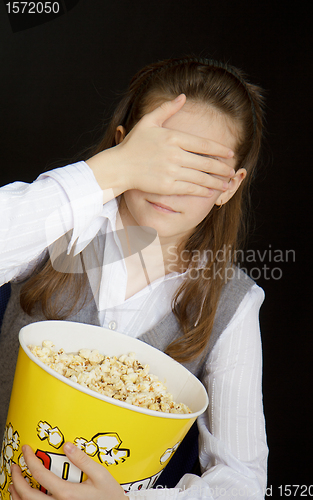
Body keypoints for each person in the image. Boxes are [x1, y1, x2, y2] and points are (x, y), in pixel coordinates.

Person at [0, 57, 268, 500]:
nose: (172, 183)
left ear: (230, 186)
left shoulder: (233, 304)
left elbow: (242, 481)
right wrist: (111, 171)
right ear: (125, 144)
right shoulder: (61, 226)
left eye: (202, 169)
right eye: (159, 156)